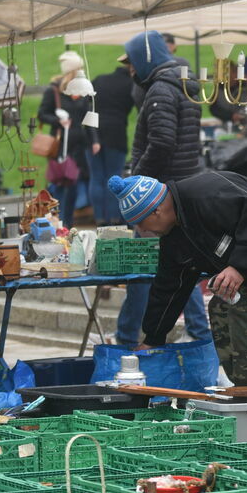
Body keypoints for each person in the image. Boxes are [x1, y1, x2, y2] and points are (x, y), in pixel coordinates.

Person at [109, 172, 247, 386]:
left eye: (140, 223)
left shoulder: (205, 193)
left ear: (156, 211)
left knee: (246, 308)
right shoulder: (173, 237)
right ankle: (241, 385)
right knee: (220, 307)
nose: (141, 230)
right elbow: (169, 287)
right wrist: (153, 338)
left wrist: (239, 267)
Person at [114, 30, 209, 349]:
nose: (130, 70)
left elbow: (162, 143)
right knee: (183, 261)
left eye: (132, 63)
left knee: (147, 263)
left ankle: (130, 338)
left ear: (145, 59)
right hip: (180, 185)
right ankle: (197, 328)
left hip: (159, 194)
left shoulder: (159, 91)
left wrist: (136, 183)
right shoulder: (179, 85)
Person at [37, 51, 97, 228]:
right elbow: (42, 114)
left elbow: (89, 115)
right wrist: (58, 120)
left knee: (73, 186)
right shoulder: (54, 91)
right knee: (60, 186)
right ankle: (57, 222)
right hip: (60, 147)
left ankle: (67, 224)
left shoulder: (83, 88)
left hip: (79, 146)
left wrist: (94, 140)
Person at [88, 58, 134, 224]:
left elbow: (87, 102)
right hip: (116, 133)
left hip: (93, 133)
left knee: (96, 177)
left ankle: (100, 218)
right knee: (113, 176)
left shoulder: (100, 79)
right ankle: (114, 218)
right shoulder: (131, 84)